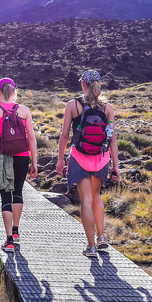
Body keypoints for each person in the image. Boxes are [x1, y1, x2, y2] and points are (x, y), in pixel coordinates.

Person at [56, 69, 120, 258]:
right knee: (96, 196)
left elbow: (65, 135)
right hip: (101, 159)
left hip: (79, 157)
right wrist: (116, 165)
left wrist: (60, 159)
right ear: (98, 85)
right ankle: (101, 237)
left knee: (86, 200)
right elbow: (112, 138)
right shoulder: (107, 108)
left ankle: (91, 246)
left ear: (82, 84)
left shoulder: (73, 106)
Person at [0, 77, 37, 253]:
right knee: (18, 192)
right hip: (22, 155)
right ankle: (16, 231)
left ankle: (9, 241)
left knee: (5, 195)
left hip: (3, 156)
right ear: (14, 92)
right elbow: (31, 138)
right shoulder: (24, 111)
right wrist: (34, 161)